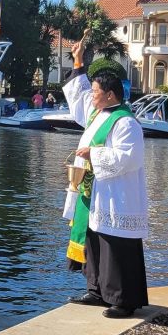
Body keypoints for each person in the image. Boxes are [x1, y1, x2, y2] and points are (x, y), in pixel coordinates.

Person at [63, 37, 148, 318]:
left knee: (116, 245)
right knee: (95, 240)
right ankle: (97, 290)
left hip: (117, 196)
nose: (92, 96)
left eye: (97, 91)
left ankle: (124, 301)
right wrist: (78, 62)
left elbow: (129, 158)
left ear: (111, 95)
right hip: (95, 191)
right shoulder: (98, 115)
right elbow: (80, 96)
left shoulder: (126, 122)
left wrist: (93, 155)